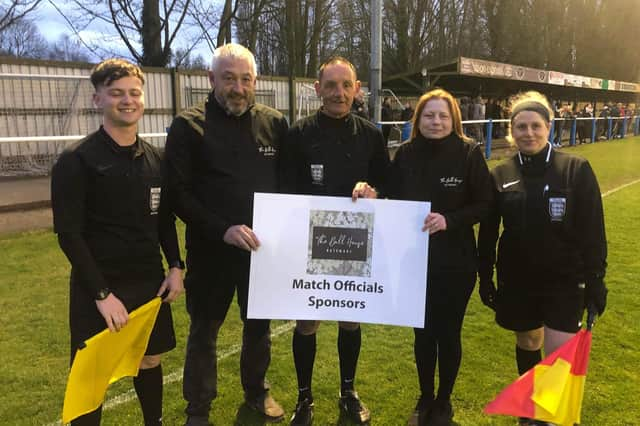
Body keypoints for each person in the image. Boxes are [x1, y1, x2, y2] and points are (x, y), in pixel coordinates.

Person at [51, 58, 184, 425]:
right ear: (98, 100)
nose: (127, 101)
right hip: (100, 289)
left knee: (149, 359)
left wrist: (176, 266)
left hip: (148, 283)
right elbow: (69, 235)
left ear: (143, 99)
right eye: (116, 94)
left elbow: (164, 221)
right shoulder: (76, 160)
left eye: (134, 93)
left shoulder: (157, 160)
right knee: (91, 375)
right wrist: (101, 295)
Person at [164, 43, 288, 425]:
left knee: (259, 329)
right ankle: (198, 410)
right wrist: (223, 230)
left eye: (245, 79)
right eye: (229, 78)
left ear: (256, 81)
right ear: (211, 79)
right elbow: (178, 195)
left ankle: (256, 392)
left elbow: (290, 185)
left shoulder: (274, 123)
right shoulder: (188, 125)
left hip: (262, 253)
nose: (238, 87)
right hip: (209, 252)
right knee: (204, 331)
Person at [477, 91, 608, 426]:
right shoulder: (500, 173)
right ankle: (531, 411)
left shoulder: (575, 169)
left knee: (559, 350)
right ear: (511, 130)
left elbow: (593, 229)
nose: (529, 132)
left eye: (536, 125)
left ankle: (550, 414)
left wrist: (595, 280)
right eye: (521, 126)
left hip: (565, 279)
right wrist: (485, 276)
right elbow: (490, 231)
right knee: (528, 339)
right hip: (518, 279)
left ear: (549, 127)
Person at [280, 56, 390, 425]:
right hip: (309, 243)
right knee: (307, 323)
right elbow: (284, 191)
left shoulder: (372, 135)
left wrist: (373, 191)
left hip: (355, 243)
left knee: (349, 320)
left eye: (346, 85)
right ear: (317, 89)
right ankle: (304, 397)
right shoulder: (297, 134)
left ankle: (348, 391)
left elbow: (388, 188)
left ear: (358, 89)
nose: (338, 93)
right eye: (331, 85)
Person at [386, 88, 492, 426]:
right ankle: (425, 396)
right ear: (418, 119)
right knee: (422, 333)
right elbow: (389, 196)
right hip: (413, 262)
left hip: (457, 263)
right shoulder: (404, 154)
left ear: (454, 119)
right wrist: (367, 191)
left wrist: (450, 220)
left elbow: (486, 204)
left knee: (449, 333)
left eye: (443, 115)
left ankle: (444, 400)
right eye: (429, 115)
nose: (436, 121)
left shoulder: (469, 153)